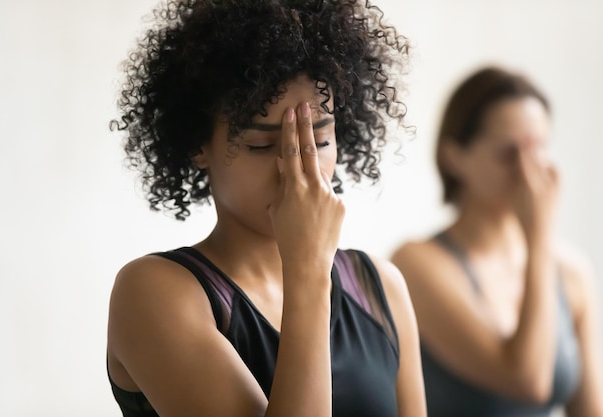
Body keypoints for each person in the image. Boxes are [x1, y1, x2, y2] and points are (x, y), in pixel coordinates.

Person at [107, 1, 426, 416]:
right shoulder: (155, 292)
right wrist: (308, 268)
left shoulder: (380, 286)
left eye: (321, 140)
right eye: (262, 144)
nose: (294, 167)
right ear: (197, 145)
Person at [391, 66, 603, 417]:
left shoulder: (573, 272)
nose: (527, 171)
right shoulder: (416, 264)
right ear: (453, 157)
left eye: (538, 149)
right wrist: (539, 239)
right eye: (509, 154)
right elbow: (528, 380)